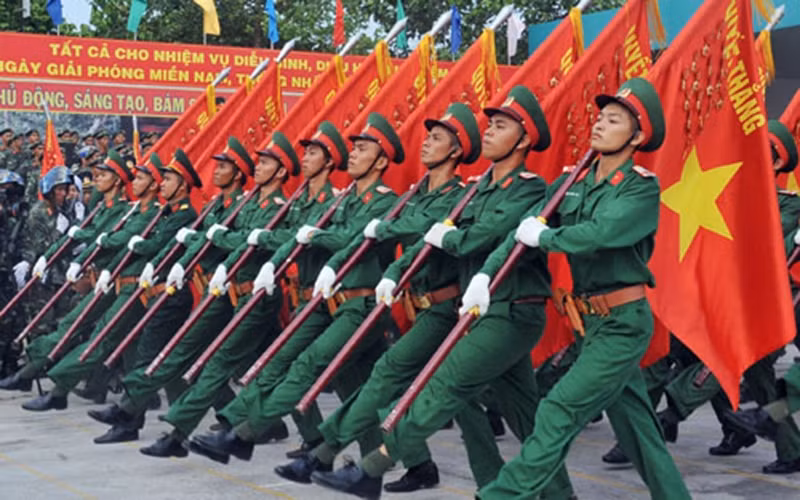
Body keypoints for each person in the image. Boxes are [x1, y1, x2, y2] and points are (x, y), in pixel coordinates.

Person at [472, 77, 690, 499]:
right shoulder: (575, 181)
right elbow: (526, 227)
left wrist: (547, 239)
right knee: (639, 433)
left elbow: (601, 233)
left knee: (558, 409)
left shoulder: (641, 187)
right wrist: (487, 273)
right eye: (600, 118)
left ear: (638, 136)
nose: (600, 125)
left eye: (614, 120)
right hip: (590, 325)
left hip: (623, 324)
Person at [188, 113, 403, 467]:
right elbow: (300, 235)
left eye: (362, 149)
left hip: (360, 305)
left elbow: (348, 239)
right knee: (356, 390)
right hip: (330, 304)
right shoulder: (343, 200)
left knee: (307, 366)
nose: (353, 154)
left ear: (381, 161)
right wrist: (276, 261)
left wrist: (316, 236)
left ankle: (242, 434)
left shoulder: (384, 200)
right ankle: (373, 467)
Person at [135, 131, 302, 456]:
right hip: (235, 294)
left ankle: (178, 433)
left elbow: (244, 240)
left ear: (281, 171)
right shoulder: (251, 204)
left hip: (258, 297)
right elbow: (226, 238)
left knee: (221, 362)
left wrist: (231, 239)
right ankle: (301, 434)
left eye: (265, 162)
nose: (258, 167)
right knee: (274, 371)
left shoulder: (276, 205)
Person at [86, 137, 259, 441]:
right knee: (184, 359)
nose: (215, 172)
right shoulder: (214, 207)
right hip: (204, 293)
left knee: (169, 357)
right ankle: (140, 417)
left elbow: (221, 243)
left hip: (219, 294)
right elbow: (199, 240)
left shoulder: (233, 208)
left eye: (222, 167)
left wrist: (201, 244)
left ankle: (131, 416)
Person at [19, 153, 166, 411]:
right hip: (114, 283)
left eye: (141, 178)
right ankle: (130, 398)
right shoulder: (129, 210)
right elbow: (101, 236)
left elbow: (111, 240)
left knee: (101, 339)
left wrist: (87, 252)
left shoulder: (146, 213)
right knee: (113, 340)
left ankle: (54, 384)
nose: (97, 178)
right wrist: (53, 256)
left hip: (133, 287)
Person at [0, 150, 133, 393]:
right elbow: (37, 243)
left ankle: (75, 379)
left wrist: (75, 240)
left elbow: (93, 238)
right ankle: (33, 373)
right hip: (49, 277)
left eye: (66, 189)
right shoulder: (41, 212)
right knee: (51, 326)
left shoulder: (88, 211)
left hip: (77, 278)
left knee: (72, 328)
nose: (64, 193)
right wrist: (39, 259)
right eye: (59, 189)